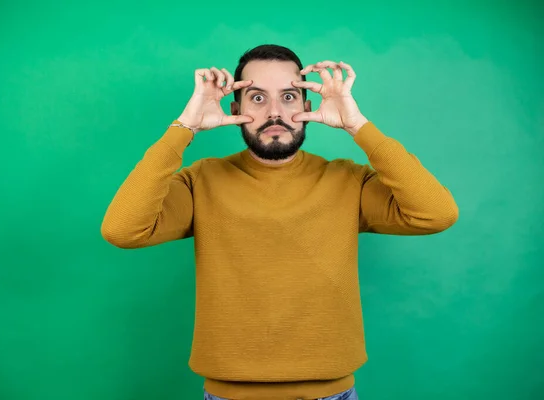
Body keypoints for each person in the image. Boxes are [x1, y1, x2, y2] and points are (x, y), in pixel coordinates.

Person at [101, 44, 459, 400]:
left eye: (288, 96)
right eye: (257, 98)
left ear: (307, 106)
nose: (275, 112)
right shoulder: (201, 181)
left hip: (332, 394)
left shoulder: (348, 181)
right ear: (234, 109)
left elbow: (436, 213)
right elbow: (123, 229)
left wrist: (358, 126)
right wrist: (185, 127)